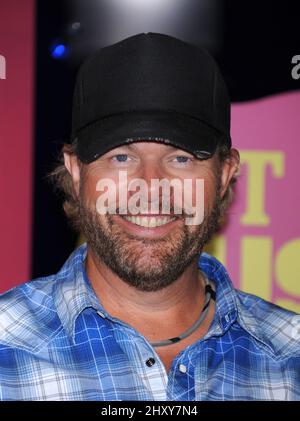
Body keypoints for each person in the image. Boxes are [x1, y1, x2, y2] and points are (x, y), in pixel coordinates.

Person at [0, 33, 299, 401]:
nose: (150, 186)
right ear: (76, 172)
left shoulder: (292, 360)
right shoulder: (6, 351)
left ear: (224, 175)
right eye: (121, 157)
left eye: (181, 158)